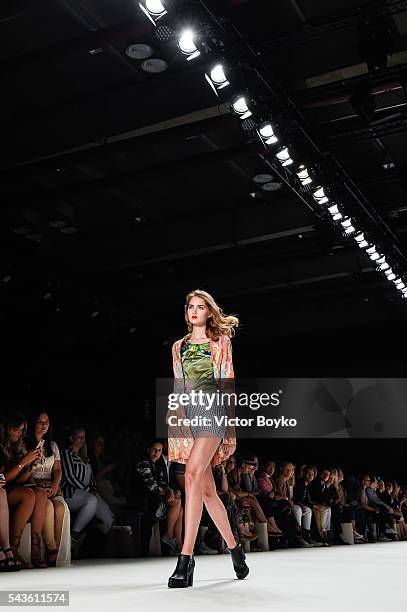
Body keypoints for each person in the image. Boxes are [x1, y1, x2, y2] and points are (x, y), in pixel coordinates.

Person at [167, 289, 248, 588]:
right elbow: (178, 385)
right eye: (191, 306)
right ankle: (235, 550)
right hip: (187, 412)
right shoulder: (178, 346)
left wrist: (230, 425)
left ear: (209, 312)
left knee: (190, 475)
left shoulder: (220, 342)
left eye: (201, 307)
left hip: (213, 409)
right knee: (208, 492)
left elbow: (227, 381)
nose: (195, 310)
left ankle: (185, 560)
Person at [0, 411, 48, 568]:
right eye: (17, 429)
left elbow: (18, 479)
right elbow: (4, 479)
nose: (19, 433)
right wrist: (22, 462)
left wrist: (31, 464)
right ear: (8, 428)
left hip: (11, 487)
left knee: (37, 493)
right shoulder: (1, 446)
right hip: (4, 489)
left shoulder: (16, 446)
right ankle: (12, 548)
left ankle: (30, 548)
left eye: (22, 430)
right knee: (28, 495)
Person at [25, 411, 71, 567]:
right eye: (40, 421)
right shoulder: (26, 445)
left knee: (61, 507)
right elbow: (26, 471)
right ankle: (51, 548)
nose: (44, 425)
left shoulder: (52, 445)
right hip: (33, 486)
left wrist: (55, 484)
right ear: (33, 423)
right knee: (48, 507)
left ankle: (59, 549)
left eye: (47, 421)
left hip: (50, 486)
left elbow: (58, 470)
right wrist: (38, 486)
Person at [61, 427, 115, 556]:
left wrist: (92, 487)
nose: (82, 440)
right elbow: (69, 476)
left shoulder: (84, 456)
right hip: (71, 492)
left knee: (109, 518)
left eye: (84, 437)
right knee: (92, 500)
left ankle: (91, 548)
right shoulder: (66, 453)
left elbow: (90, 478)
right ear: (71, 438)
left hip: (88, 493)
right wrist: (87, 489)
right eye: (79, 437)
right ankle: (74, 537)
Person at [135, 440, 183, 555]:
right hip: (144, 500)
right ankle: (169, 536)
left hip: (154, 498)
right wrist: (167, 492)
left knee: (180, 509)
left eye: (159, 450)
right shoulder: (144, 462)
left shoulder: (153, 464)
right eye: (154, 449)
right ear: (148, 449)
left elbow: (161, 483)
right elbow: (152, 486)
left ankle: (178, 544)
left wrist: (170, 490)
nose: (156, 452)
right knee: (177, 503)